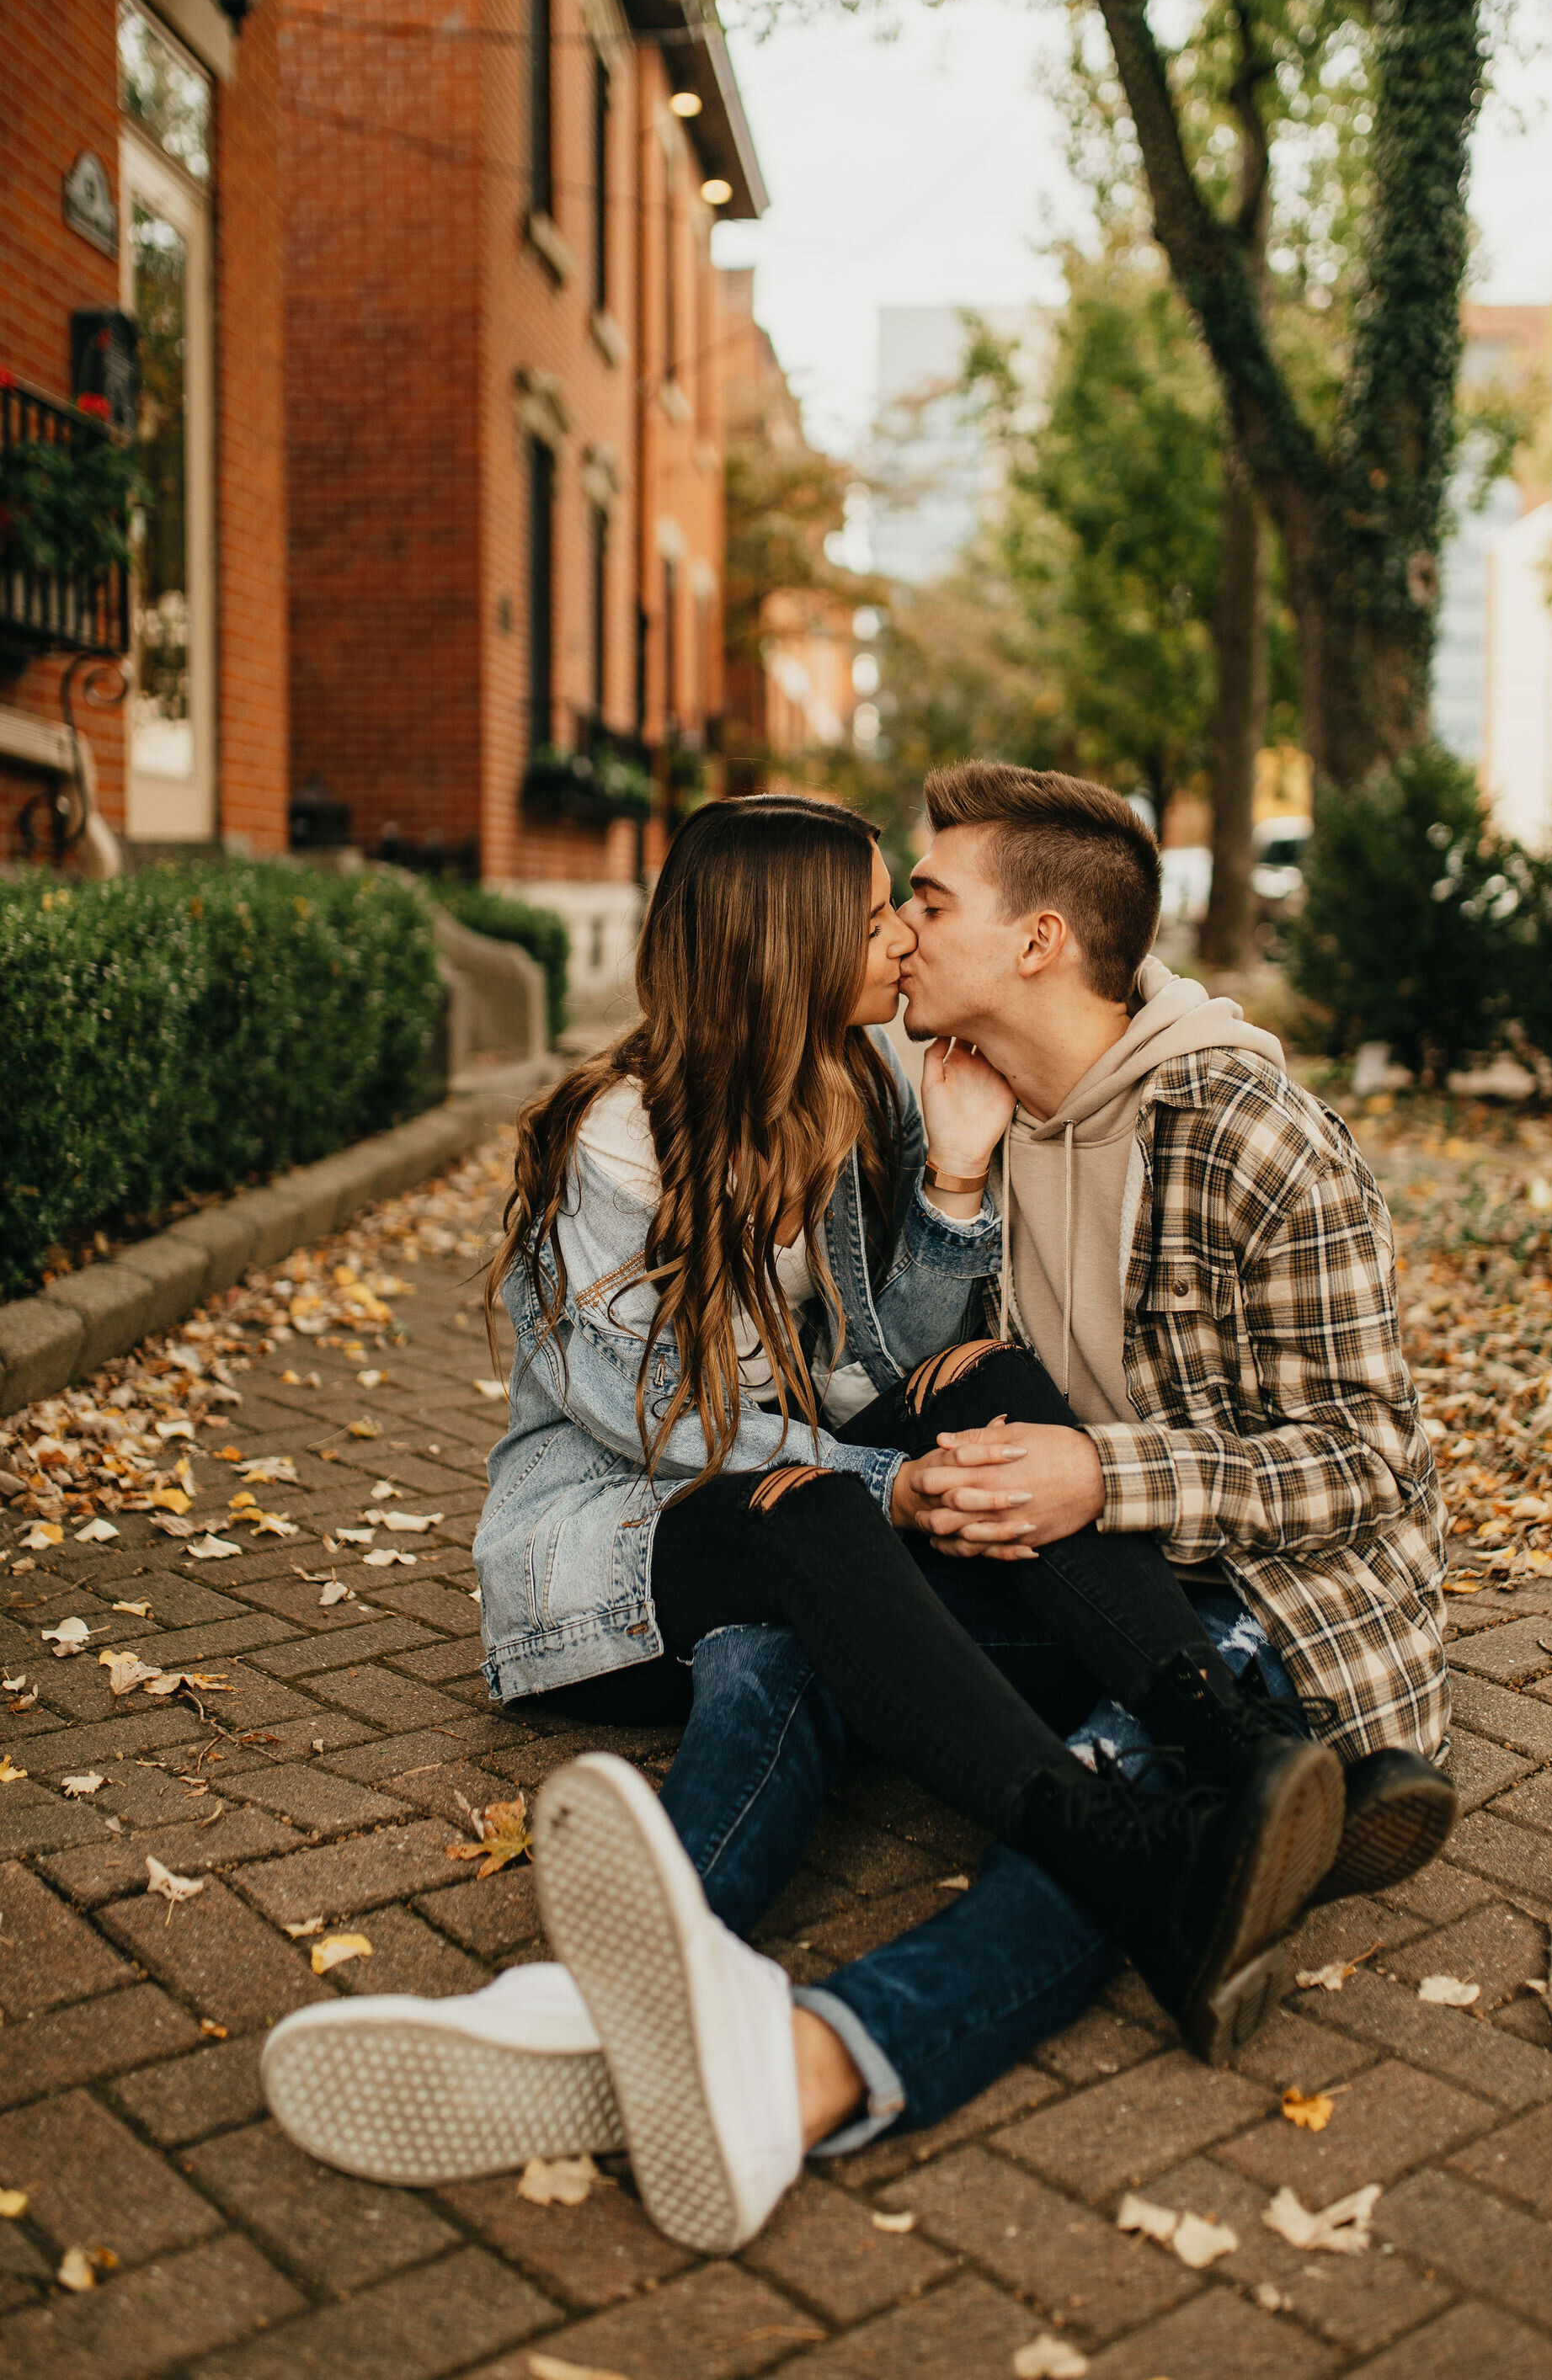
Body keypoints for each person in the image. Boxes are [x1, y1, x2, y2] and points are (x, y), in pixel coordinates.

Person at [263, 772, 1452, 2253]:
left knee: (834, 1564)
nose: (897, 930)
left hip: (1234, 1590)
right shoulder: (624, 1143)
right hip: (640, 1534)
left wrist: (956, 1213)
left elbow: (902, 1363)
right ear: (793, 936)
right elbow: (691, 1428)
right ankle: (1152, 1850)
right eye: (883, 903)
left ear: (1032, 945)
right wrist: (931, 1479)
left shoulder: (939, 1096)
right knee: (821, 1533)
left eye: (922, 900)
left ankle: (614, 2009)